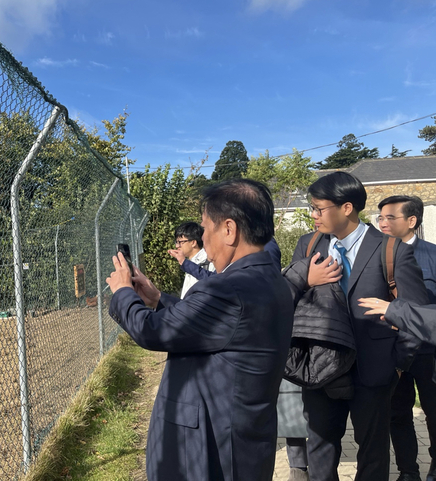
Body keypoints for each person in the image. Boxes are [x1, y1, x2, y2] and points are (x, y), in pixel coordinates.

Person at [106, 178, 294, 481]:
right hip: (242, 437)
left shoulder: (230, 288)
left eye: (206, 228)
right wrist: (156, 299)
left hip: (211, 448)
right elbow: (213, 328)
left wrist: (122, 292)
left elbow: (153, 332)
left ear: (229, 230)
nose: (203, 239)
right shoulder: (269, 280)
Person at [286, 172, 429, 481]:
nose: (313, 215)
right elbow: (290, 299)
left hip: (374, 370)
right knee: (321, 447)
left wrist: (398, 364)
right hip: (320, 368)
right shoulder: (308, 246)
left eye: (318, 208)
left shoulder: (392, 250)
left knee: (373, 451)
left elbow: (415, 313)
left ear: (346, 207)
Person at [377, 195, 436, 481]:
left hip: (428, 351)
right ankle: (407, 471)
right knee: (397, 413)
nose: (383, 223)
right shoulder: (376, 254)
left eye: (390, 218)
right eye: (380, 218)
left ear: (411, 221)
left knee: (433, 413)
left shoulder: (432, 255)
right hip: (392, 349)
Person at [166, 221, 211, 298]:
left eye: (180, 242)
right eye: (176, 242)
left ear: (193, 243)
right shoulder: (191, 262)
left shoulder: (208, 261)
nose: (177, 246)